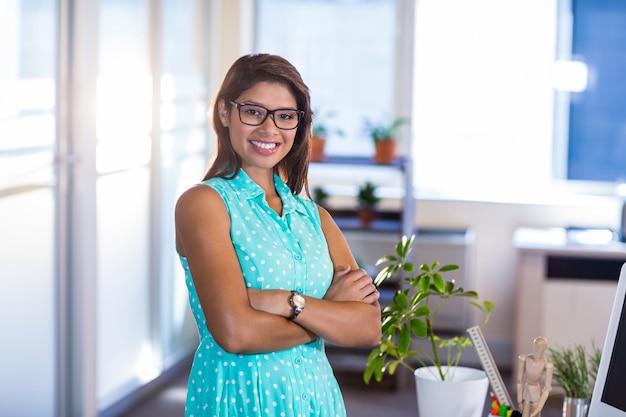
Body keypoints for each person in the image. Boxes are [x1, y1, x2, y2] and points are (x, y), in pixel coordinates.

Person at [174, 53, 382, 417]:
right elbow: (235, 334)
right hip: (239, 402)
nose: (269, 129)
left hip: (318, 402)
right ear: (225, 112)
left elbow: (367, 328)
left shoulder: (315, 218)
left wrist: (286, 302)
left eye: (285, 116)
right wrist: (326, 316)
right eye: (253, 111)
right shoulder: (203, 204)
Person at [517, 337, 553, 417]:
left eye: (541, 348)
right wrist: (519, 401)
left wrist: (539, 407)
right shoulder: (525, 359)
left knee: (535, 412)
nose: (538, 350)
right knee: (525, 412)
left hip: (536, 391)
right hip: (527, 390)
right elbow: (519, 381)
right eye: (536, 347)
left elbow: (547, 388)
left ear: (544, 349)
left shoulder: (546, 364)